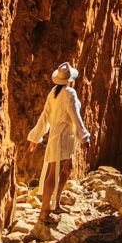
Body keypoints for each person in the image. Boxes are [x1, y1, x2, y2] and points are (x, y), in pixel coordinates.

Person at [27, 62, 91, 222]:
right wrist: (84, 137)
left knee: (67, 169)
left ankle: (55, 203)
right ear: (70, 80)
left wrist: (36, 137)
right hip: (62, 139)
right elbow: (75, 117)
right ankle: (45, 211)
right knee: (53, 173)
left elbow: (44, 117)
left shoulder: (54, 93)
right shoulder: (69, 93)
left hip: (63, 139)